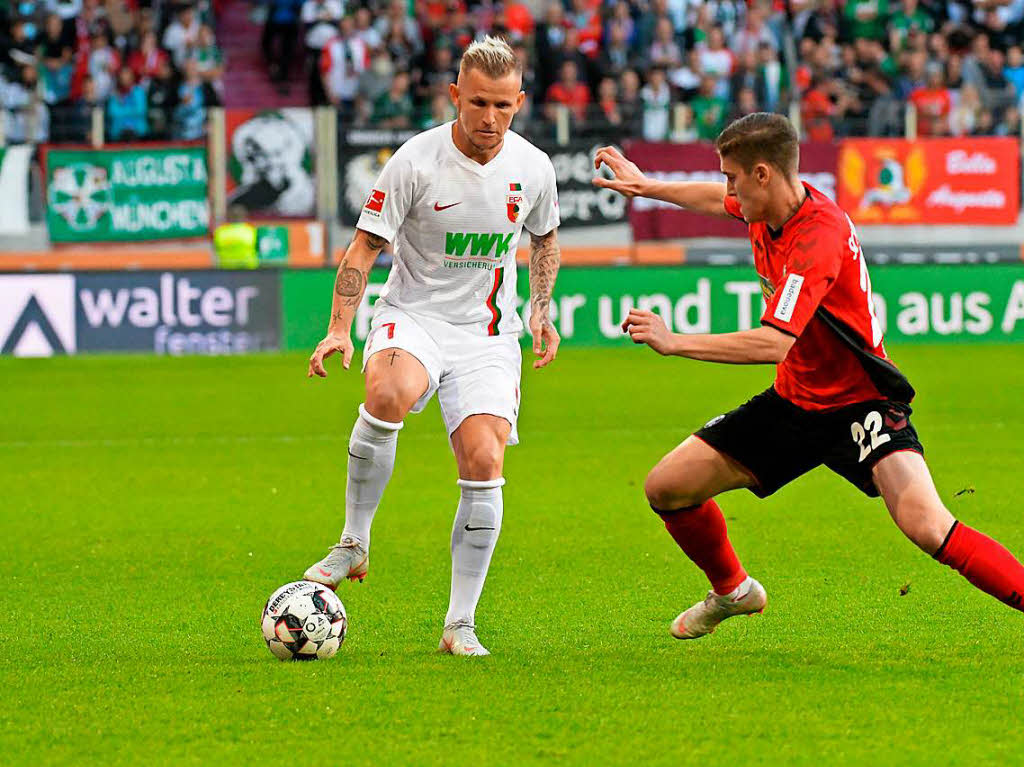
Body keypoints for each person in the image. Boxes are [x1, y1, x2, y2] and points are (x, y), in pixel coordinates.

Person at [591, 112, 1024, 640]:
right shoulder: (767, 206)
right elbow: (713, 200)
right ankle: (733, 592)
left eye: (732, 176)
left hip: (860, 405)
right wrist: (644, 185)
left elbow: (775, 342)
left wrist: (675, 340)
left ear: (763, 174)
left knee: (928, 526)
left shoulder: (817, 236)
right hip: (795, 402)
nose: (728, 189)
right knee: (667, 488)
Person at [304, 36, 562, 657]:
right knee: (387, 393)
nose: (490, 118)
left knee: (483, 462)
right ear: (455, 96)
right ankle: (354, 542)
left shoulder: (533, 167)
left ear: (520, 101)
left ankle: (459, 624)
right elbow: (364, 248)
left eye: (503, 105)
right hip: (413, 315)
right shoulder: (414, 161)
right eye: (478, 103)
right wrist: (340, 327)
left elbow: (546, 240)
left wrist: (542, 310)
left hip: (487, 334)